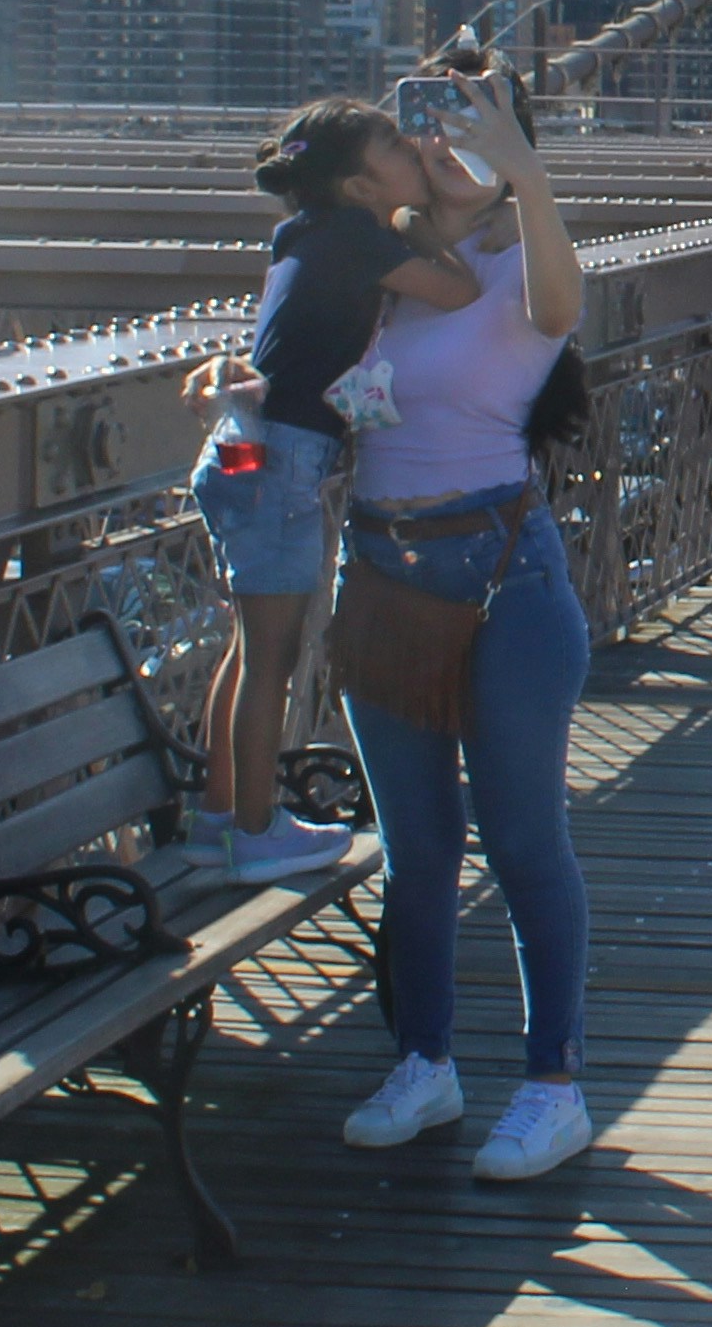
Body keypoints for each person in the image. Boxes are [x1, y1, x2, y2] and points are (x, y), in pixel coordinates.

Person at [331, 61, 601, 1185]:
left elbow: (560, 308)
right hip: (382, 572)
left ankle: (553, 1087)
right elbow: (326, 385)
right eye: (429, 122)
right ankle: (425, 1061)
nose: (444, 143)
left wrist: (524, 169)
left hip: (502, 581)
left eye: (473, 127)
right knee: (416, 852)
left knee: (525, 840)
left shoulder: (517, 266)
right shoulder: (373, 271)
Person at [185, 101, 481, 880]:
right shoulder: (359, 238)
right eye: (393, 142)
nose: (410, 146)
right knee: (273, 659)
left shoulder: (305, 233)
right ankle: (256, 834)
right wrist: (421, 222)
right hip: (284, 460)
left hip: (244, 449)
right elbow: (459, 291)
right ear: (358, 185)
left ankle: (217, 813)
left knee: (249, 651)